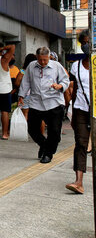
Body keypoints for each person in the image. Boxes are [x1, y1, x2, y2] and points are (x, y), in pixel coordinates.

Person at [18, 47, 70, 163]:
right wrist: (21, 96)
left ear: (49, 58)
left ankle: (48, 154)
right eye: (40, 60)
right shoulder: (31, 66)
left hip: (54, 102)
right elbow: (26, 81)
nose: (42, 62)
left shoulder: (56, 66)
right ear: (37, 58)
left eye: (45, 60)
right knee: (32, 128)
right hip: (36, 102)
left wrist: (60, 86)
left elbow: (65, 80)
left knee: (55, 131)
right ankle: (44, 144)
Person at [66, 30, 91, 194]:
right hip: (81, 108)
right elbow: (74, 90)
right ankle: (78, 181)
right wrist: (73, 113)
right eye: (84, 43)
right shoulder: (76, 66)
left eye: (90, 42)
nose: (87, 46)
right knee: (81, 143)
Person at [14, 54, 37, 120]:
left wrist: (23, 86)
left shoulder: (23, 71)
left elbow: (17, 83)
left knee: (25, 114)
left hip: (25, 95)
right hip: (35, 94)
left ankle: (25, 129)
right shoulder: (37, 71)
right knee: (36, 115)